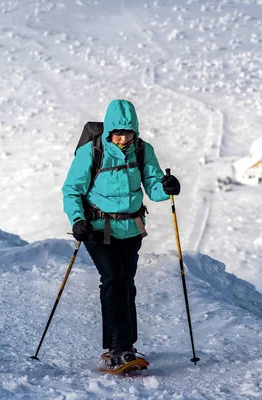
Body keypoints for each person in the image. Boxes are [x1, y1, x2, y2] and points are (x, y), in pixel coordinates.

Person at [62, 99, 181, 366]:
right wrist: (78, 220)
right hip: (97, 230)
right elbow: (72, 191)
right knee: (113, 279)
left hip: (131, 230)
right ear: (108, 131)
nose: (122, 137)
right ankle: (118, 348)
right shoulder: (91, 152)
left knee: (126, 283)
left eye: (128, 132)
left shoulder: (142, 150)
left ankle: (127, 345)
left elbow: (153, 185)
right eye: (118, 132)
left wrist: (168, 188)